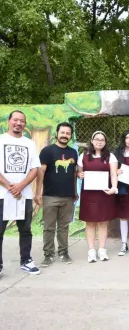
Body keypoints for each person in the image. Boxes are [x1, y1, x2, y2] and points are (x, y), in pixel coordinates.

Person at [0, 110, 41, 276]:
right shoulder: (1, 140)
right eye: (15, 120)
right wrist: (10, 187)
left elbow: (35, 169)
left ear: (25, 124)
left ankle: (26, 260)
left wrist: (21, 186)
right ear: (9, 121)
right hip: (2, 195)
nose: (18, 123)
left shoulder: (29, 144)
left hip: (24, 196)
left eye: (22, 121)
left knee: (25, 230)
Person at [35, 122, 78, 267]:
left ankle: (63, 252)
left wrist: (75, 192)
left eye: (67, 133)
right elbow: (41, 172)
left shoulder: (73, 153)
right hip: (50, 196)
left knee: (64, 227)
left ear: (70, 136)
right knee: (49, 227)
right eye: (63, 132)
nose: (65, 135)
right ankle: (48, 254)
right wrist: (38, 193)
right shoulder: (47, 151)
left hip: (68, 197)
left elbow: (73, 173)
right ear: (57, 134)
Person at [77, 131, 118, 263]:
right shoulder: (83, 155)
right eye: (97, 139)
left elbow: (113, 175)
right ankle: (91, 251)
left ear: (105, 142)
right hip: (89, 194)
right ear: (92, 140)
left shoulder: (110, 157)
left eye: (102, 139)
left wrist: (114, 188)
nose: (99, 141)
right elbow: (79, 172)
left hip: (104, 194)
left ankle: (101, 249)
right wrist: (79, 175)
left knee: (102, 222)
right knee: (90, 222)